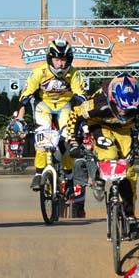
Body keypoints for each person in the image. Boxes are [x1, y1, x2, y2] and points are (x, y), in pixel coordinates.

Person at [65, 73, 139, 231]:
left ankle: (130, 214)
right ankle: (98, 176)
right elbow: (74, 115)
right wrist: (73, 142)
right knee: (109, 154)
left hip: (125, 130)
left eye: (129, 109)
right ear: (112, 99)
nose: (124, 112)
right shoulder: (98, 103)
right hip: (100, 125)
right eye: (121, 107)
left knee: (128, 173)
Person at [17, 39, 86, 192]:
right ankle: (38, 173)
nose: (60, 64)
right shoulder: (38, 72)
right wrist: (20, 119)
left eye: (63, 60)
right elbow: (25, 98)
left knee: (67, 140)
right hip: (44, 106)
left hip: (65, 106)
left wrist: (84, 120)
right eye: (57, 60)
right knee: (42, 139)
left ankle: (69, 176)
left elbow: (81, 98)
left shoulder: (75, 73)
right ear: (50, 59)